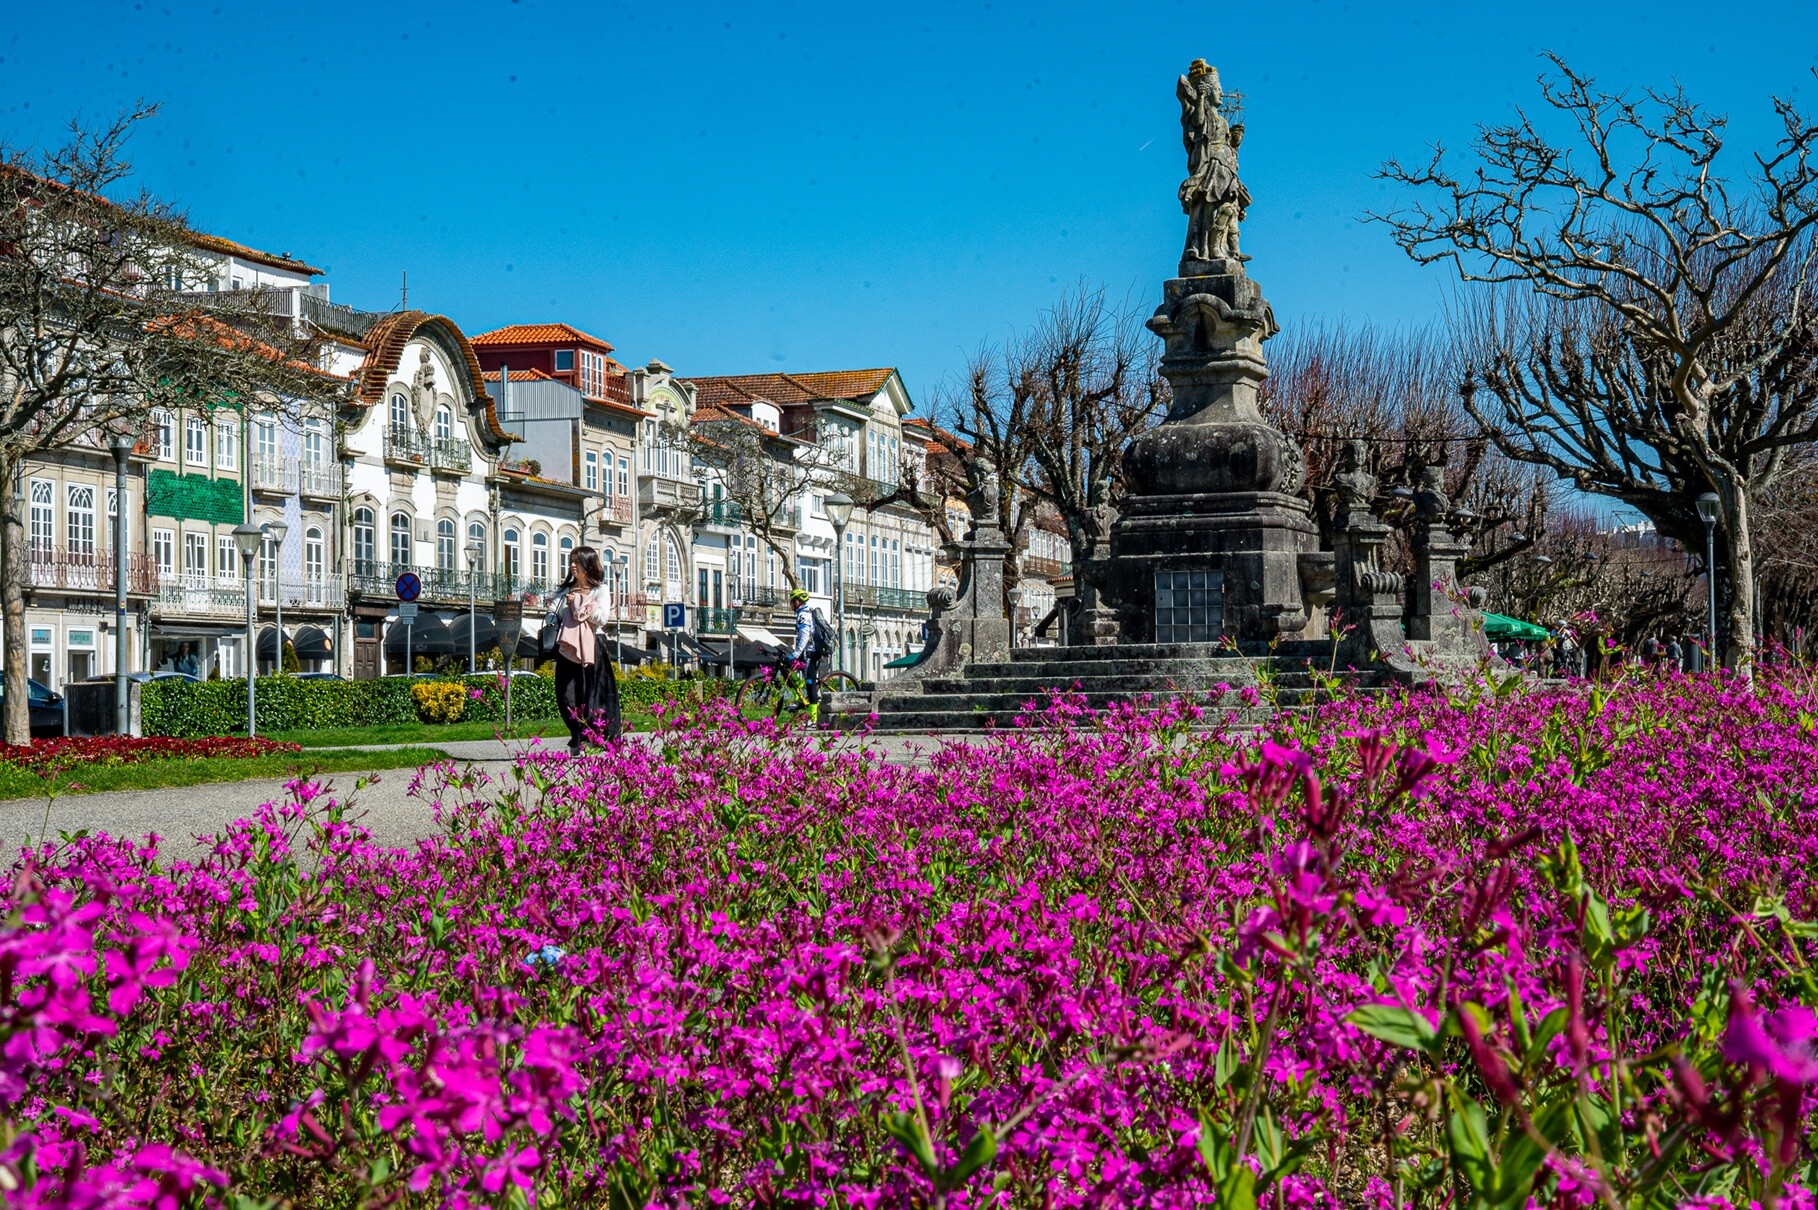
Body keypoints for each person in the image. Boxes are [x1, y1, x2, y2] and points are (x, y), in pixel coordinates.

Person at [550, 546, 621, 754]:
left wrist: (580, 602)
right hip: (569, 647)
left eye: (577, 562)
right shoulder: (563, 590)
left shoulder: (600, 590)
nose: (572, 565)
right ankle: (578, 733)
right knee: (566, 695)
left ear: (588, 565)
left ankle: (591, 737)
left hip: (593, 646)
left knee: (593, 694)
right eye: (571, 561)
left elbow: (602, 618)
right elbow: (554, 613)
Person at [789, 588, 825, 724]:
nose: (791, 605)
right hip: (807, 652)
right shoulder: (802, 613)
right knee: (791, 670)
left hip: (810, 653)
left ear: (797, 602)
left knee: (810, 684)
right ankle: (799, 700)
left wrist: (796, 653)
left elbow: (804, 636)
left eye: (791, 602)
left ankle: (813, 719)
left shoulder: (803, 615)